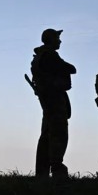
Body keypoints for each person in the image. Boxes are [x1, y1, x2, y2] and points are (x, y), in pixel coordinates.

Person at [31, 28, 76, 179]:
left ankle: (42, 174)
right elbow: (71, 69)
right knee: (58, 134)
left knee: (46, 136)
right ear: (51, 39)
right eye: (57, 38)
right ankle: (57, 170)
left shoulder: (41, 56)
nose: (60, 41)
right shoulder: (50, 56)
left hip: (49, 101)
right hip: (54, 101)